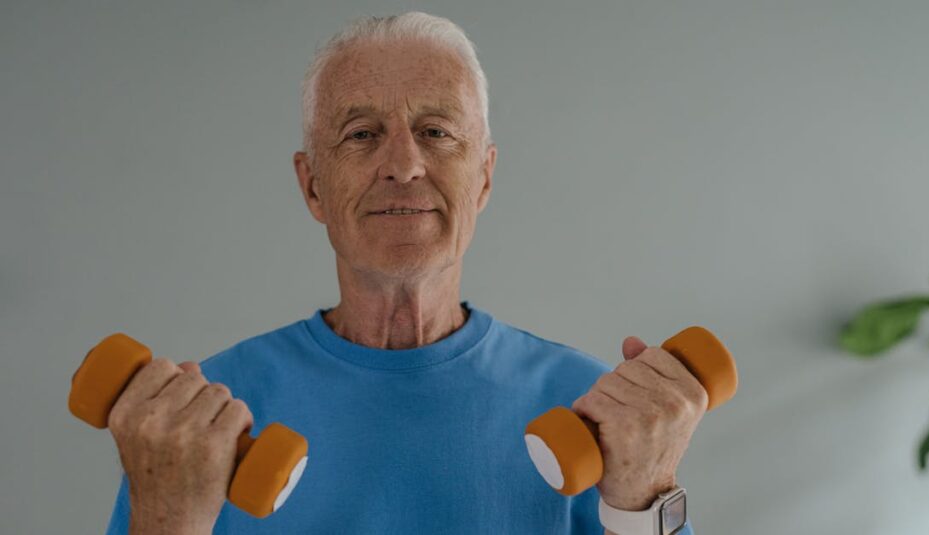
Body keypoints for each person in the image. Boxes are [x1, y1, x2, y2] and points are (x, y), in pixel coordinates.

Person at [103, 11, 706, 535]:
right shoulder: (202, 422)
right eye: (362, 134)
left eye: (437, 132)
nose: (404, 165)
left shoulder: (590, 408)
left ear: (484, 178)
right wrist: (167, 521)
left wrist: (642, 500)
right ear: (313, 185)